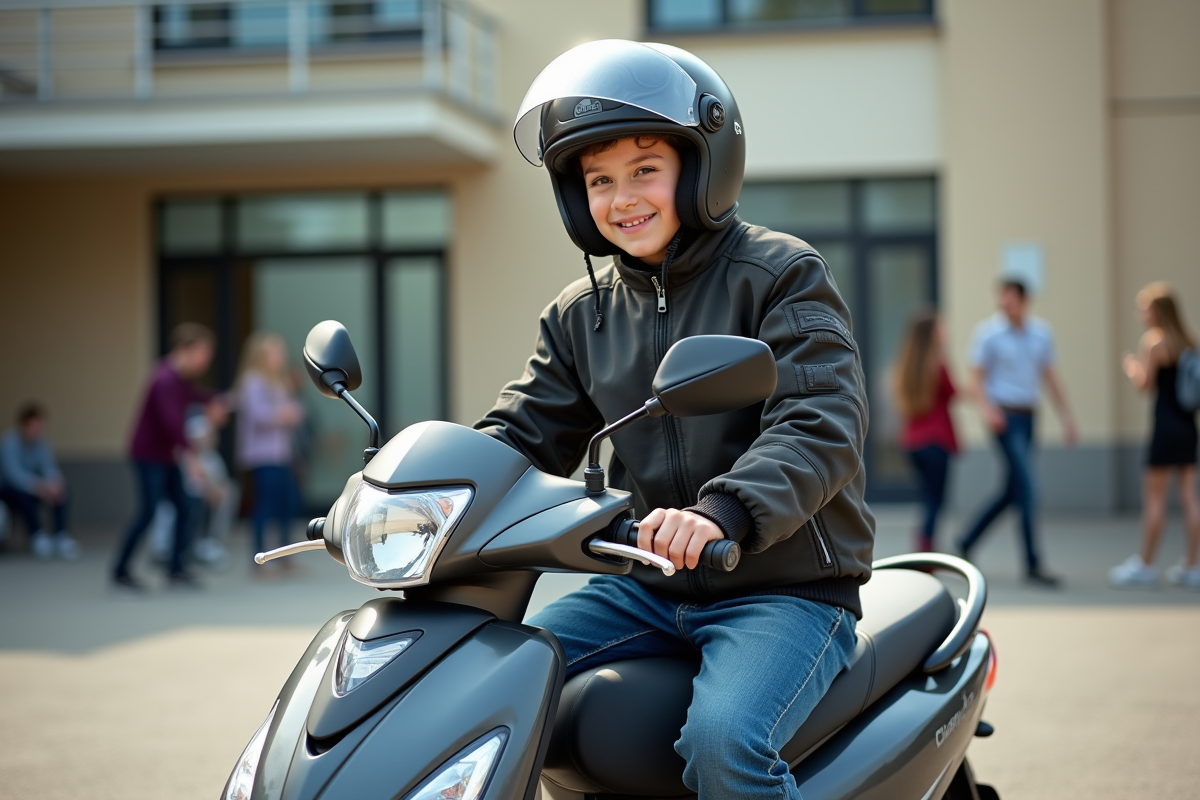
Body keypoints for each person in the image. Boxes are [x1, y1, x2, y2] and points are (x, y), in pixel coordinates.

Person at [474, 41, 872, 799]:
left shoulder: (780, 275)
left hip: (785, 589)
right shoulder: (580, 315)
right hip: (648, 586)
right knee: (484, 681)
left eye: (644, 169)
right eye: (599, 180)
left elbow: (819, 420)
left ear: (702, 168)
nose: (621, 197)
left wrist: (724, 512)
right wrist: (428, 489)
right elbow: (522, 432)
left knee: (724, 743)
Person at [956, 279, 1077, 587]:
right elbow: (976, 379)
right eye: (1001, 299)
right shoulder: (989, 334)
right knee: (1028, 487)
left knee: (1013, 490)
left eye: (1009, 299)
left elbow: (1050, 377)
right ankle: (1033, 563)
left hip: (1029, 417)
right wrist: (988, 411)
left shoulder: (1041, 334)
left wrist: (1067, 417)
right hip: (1004, 419)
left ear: (1024, 301)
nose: (1003, 305)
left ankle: (967, 539)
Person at [112, 322, 223, 592]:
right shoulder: (164, 379)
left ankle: (176, 570)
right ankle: (120, 572)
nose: (206, 360)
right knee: (147, 512)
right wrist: (193, 459)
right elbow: (172, 424)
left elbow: (194, 396)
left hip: (166, 456)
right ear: (186, 350)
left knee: (186, 506)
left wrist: (216, 400)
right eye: (203, 353)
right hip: (149, 456)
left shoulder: (181, 379)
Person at [1110, 283, 1200, 588]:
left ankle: (1146, 564)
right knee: (1189, 498)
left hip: (1164, 428)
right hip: (1188, 427)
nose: (1141, 315)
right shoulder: (1187, 341)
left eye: (1145, 309)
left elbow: (1145, 385)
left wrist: (1132, 368)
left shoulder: (1154, 342)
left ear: (1158, 311)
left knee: (1155, 498)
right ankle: (1193, 565)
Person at [891, 311, 959, 552]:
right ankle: (925, 548)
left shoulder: (907, 366)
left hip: (913, 443)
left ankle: (924, 544)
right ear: (932, 332)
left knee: (927, 497)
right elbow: (953, 393)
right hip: (936, 441)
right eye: (941, 327)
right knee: (935, 500)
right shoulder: (937, 364)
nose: (945, 330)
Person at [236, 333, 304, 568]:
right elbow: (258, 415)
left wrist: (292, 412)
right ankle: (260, 559)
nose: (280, 357)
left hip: (282, 454)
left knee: (288, 504)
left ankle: (284, 556)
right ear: (262, 356)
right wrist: (284, 415)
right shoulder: (252, 381)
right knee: (264, 506)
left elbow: (295, 410)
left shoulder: (280, 382)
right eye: (275, 353)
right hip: (261, 456)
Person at [0, 403, 79, 560]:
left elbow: (49, 467)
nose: (37, 431)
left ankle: (60, 535)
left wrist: (55, 484)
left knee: (62, 490)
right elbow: (14, 476)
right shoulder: (9, 442)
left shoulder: (41, 442)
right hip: (8, 490)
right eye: (34, 427)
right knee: (23, 496)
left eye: (40, 427)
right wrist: (41, 487)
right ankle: (37, 536)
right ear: (23, 426)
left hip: (34, 487)